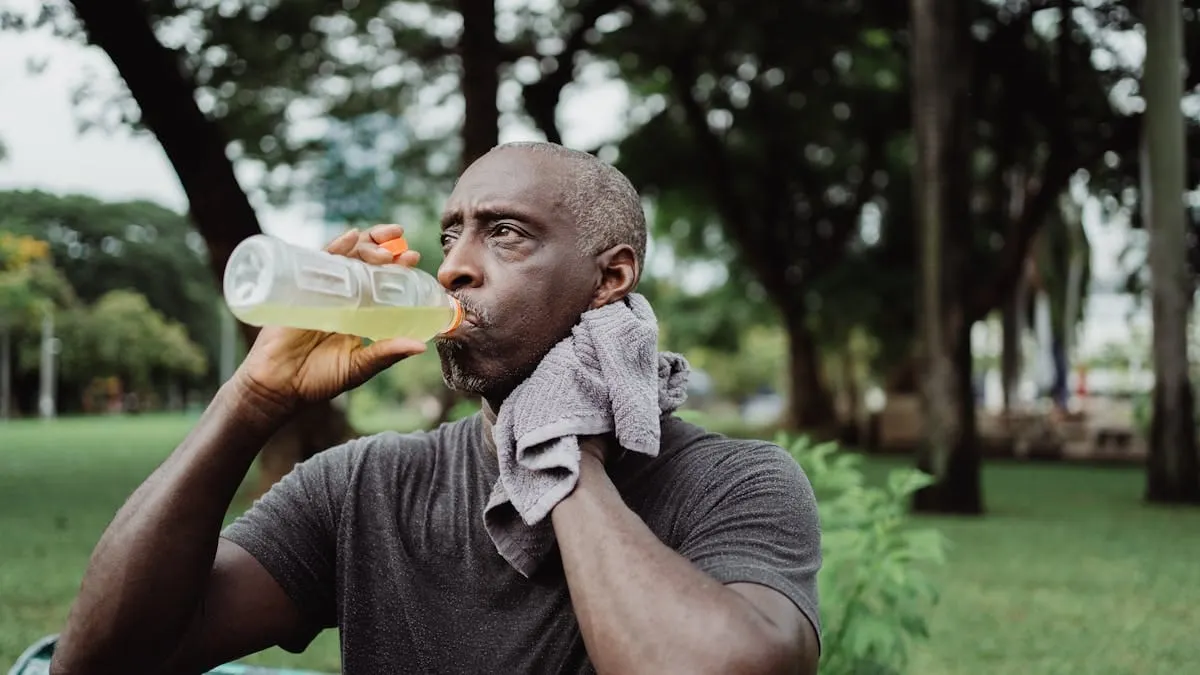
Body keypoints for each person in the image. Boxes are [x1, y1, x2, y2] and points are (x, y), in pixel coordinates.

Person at [50, 142, 823, 675]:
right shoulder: (363, 486)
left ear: (610, 278)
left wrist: (560, 446)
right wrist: (250, 401)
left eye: (506, 234)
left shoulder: (736, 482)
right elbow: (98, 661)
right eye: (451, 233)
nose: (453, 265)